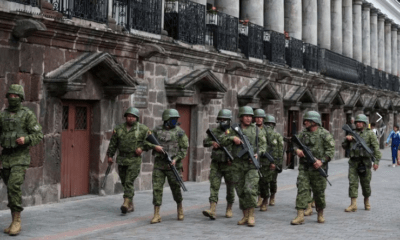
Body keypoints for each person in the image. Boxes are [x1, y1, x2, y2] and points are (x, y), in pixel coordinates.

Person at [0, 84, 44, 236]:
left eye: (16, 96)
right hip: (5, 157)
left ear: (21, 98)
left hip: (20, 157)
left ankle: (17, 220)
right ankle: (13, 219)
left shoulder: (27, 115)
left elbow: (39, 135)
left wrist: (26, 139)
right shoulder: (3, 115)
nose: (13, 98)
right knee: (10, 189)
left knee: (13, 186)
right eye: (10, 96)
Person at [291, 111, 335, 225]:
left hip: (318, 169)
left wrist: (322, 161)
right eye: (305, 120)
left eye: (307, 120)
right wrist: (297, 151)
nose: (305, 122)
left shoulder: (325, 134)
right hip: (305, 168)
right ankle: (300, 215)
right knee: (302, 190)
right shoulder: (303, 134)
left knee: (319, 193)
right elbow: (293, 144)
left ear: (314, 122)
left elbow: (330, 152)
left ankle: (320, 214)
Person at [225, 106, 266, 227]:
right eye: (246, 116)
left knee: (250, 189)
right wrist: (233, 138)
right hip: (237, 164)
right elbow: (223, 139)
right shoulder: (233, 129)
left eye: (250, 116)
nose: (248, 118)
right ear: (241, 117)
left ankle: (251, 215)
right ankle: (245, 215)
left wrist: (258, 154)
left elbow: (263, 145)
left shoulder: (257, 130)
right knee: (241, 191)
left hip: (252, 164)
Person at [106, 107, 152, 214]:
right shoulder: (118, 129)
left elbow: (151, 142)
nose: (130, 118)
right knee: (124, 181)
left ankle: (125, 203)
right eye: (129, 116)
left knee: (128, 181)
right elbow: (113, 143)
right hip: (122, 159)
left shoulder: (143, 129)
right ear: (126, 117)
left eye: (133, 117)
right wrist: (110, 156)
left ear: (136, 118)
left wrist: (142, 148)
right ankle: (130, 204)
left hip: (134, 160)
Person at [149, 109, 189, 224]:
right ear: (166, 120)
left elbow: (184, 149)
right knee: (157, 189)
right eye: (173, 119)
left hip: (173, 166)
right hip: (159, 165)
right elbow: (146, 142)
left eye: (176, 119)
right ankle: (156, 214)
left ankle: (180, 208)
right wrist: (155, 147)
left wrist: (176, 159)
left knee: (176, 188)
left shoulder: (180, 132)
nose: (175, 121)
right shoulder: (156, 130)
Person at [342, 114, 381, 212]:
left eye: (360, 122)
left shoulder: (370, 134)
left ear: (364, 124)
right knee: (352, 183)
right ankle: (353, 204)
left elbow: (376, 148)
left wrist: (376, 161)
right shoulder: (352, 133)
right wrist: (347, 140)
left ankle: (366, 201)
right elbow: (344, 146)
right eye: (357, 122)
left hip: (365, 162)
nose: (358, 124)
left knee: (365, 184)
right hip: (353, 162)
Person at [202, 109, 236, 219]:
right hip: (216, 163)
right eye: (221, 120)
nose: (223, 122)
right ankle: (212, 209)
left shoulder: (234, 132)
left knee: (230, 187)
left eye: (225, 120)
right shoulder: (214, 132)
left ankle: (229, 207)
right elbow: (205, 142)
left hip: (229, 164)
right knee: (214, 185)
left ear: (229, 121)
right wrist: (212, 142)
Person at [254, 111, 283, 211]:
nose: (269, 126)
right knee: (259, 181)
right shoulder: (258, 131)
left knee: (271, 181)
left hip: (270, 162)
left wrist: (276, 163)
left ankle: (270, 198)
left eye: (271, 124)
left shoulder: (275, 135)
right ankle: (260, 198)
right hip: (260, 160)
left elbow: (279, 151)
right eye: (267, 124)